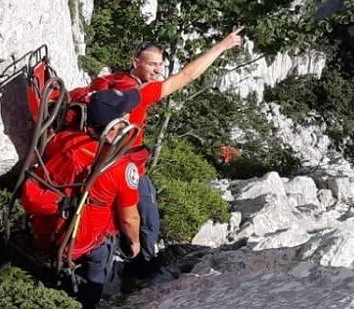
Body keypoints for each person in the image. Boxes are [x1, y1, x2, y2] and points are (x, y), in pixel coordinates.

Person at [77, 30, 245, 264]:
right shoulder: (137, 93)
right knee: (147, 217)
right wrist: (221, 47)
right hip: (125, 166)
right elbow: (188, 75)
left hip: (97, 162)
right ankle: (144, 266)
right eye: (152, 65)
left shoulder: (108, 82)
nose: (158, 70)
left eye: (160, 65)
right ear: (136, 62)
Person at [25, 89, 144, 309]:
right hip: (85, 238)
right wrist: (135, 243)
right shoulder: (120, 166)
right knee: (101, 257)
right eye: (126, 113)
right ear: (117, 124)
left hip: (47, 227)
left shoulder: (65, 140)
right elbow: (129, 218)